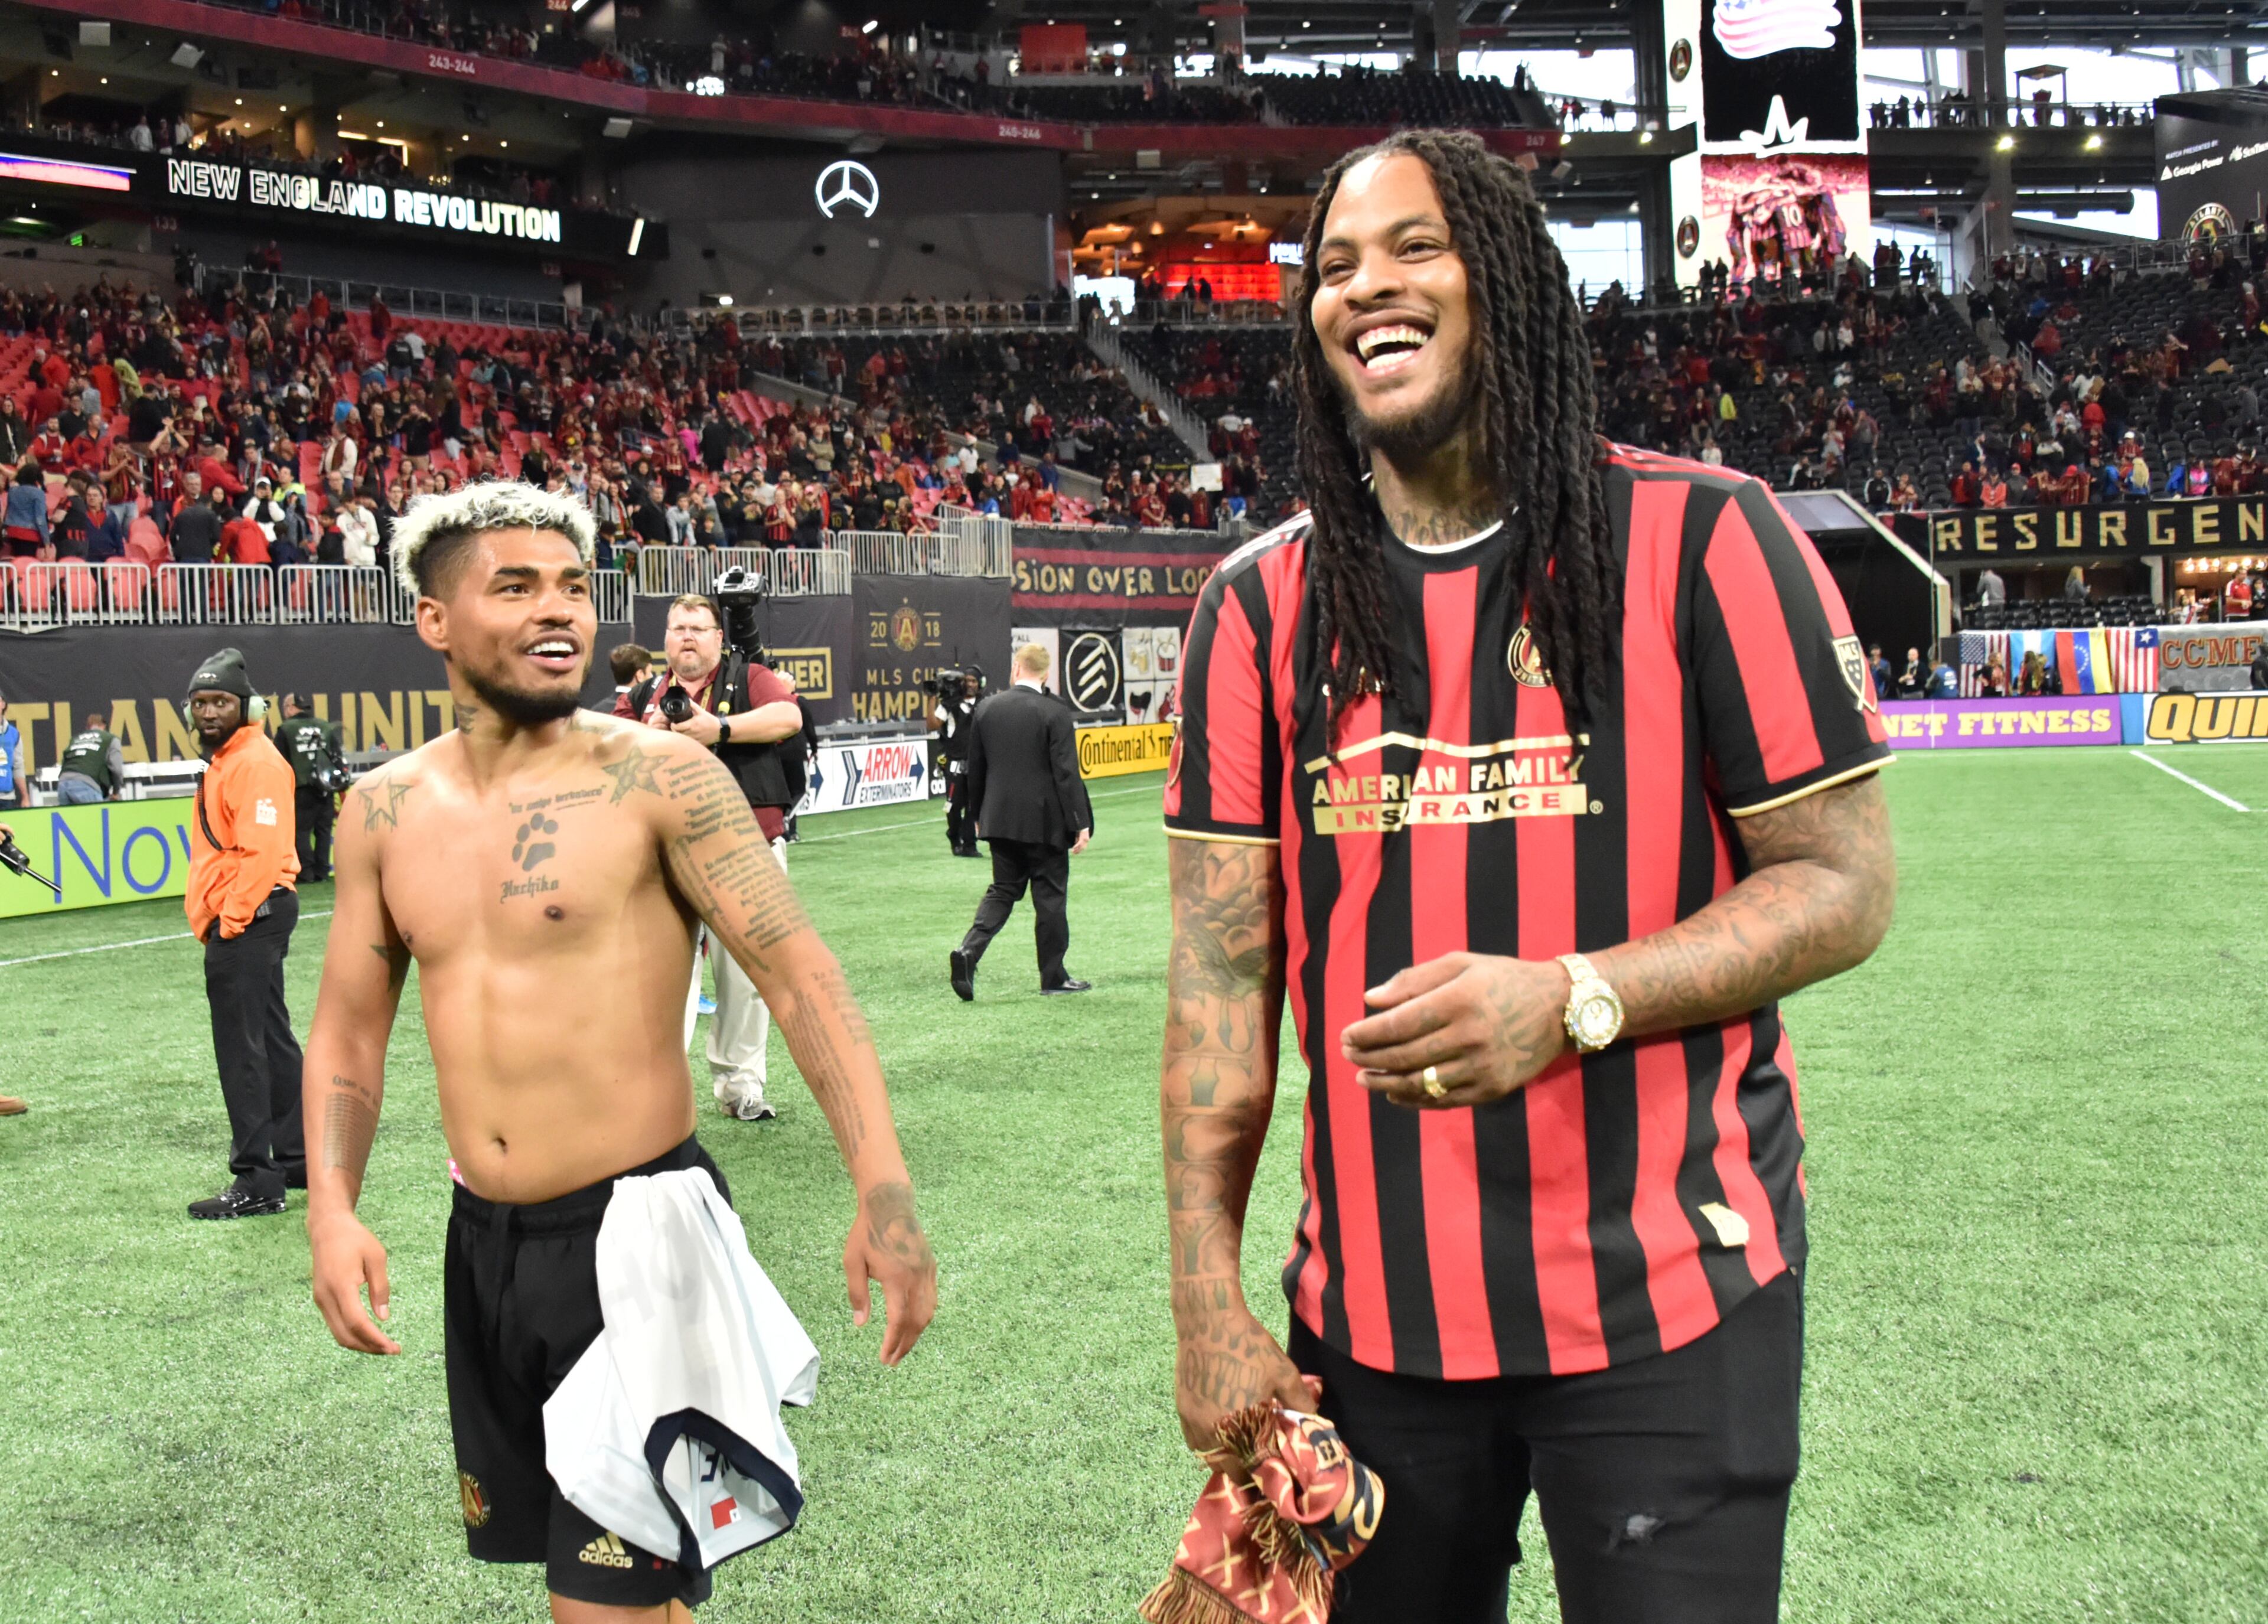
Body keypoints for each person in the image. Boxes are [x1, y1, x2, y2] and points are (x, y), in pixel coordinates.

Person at [1159, 132, 1895, 1624]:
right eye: (1335, 263)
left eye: (1413, 245)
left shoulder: (1709, 537)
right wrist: (1203, 1296)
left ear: (1504, 279)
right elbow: (1217, 990)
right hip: (1368, 1330)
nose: (1366, 283)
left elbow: (1838, 882)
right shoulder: (1254, 607)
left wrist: (1575, 995)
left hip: (1673, 1298)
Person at [298, 481, 935, 1619]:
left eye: (575, 588)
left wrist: (880, 1189)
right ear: (435, 620)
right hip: (479, 1244)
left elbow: (800, 978)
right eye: (516, 586)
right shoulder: (381, 810)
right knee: (590, 1593)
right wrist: (332, 1206)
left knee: (603, 1607)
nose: (561, 612)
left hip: (636, 1238)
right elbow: (349, 1022)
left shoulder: (660, 777)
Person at [617, 594, 805, 1123]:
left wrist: (718, 729)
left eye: (700, 628)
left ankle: (740, 1087)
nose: (689, 637)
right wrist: (641, 737)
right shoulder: (643, 695)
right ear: (666, 639)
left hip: (744, 850)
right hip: (663, 855)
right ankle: (659, 1091)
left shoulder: (750, 677)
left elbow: (787, 716)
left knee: (747, 978)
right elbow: (601, 752)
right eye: (679, 628)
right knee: (661, 976)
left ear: (720, 639)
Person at [184, 647, 304, 1220]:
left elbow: (260, 851)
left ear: (248, 706)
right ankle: (298, 1159)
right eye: (201, 702)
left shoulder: (253, 760)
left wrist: (231, 919)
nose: (209, 711)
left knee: (242, 1050)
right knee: (272, 1038)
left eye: (221, 701)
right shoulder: (232, 758)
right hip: (256, 914)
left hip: (251, 917)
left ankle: (258, 1178)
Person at [948, 642, 1093, 1000]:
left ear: (1016, 668)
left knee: (1003, 890)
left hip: (999, 820)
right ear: (1046, 674)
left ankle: (969, 952)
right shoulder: (1055, 712)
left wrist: (978, 815)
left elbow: (975, 769)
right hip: (1046, 823)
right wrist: (1081, 820)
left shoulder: (987, 709)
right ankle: (1053, 977)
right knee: (1050, 897)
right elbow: (1066, 773)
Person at [273, 693, 348, 883]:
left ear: (290, 707)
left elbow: (278, 763)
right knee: (323, 831)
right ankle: (322, 871)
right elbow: (337, 758)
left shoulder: (286, 729)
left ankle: (306, 873)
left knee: (301, 832)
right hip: (326, 787)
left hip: (301, 789)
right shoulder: (325, 727)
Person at [931, 670, 981, 857]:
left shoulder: (985, 704)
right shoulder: (949, 705)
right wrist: (931, 699)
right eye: (967, 681)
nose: (970, 684)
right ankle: (954, 837)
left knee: (973, 806)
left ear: (980, 683)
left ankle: (970, 845)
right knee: (953, 806)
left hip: (976, 764)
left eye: (974, 681)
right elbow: (933, 725)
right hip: (954, 764)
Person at [54, 709, 123, 805]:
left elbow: (65, 761)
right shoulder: (110, 739)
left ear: (88, 727)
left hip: (63, 784)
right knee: (94, 819)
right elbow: (117, 769)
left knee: (71, 820)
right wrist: (116, 792)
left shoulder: (75, 739)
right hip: (87, 785)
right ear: (104, 726)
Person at [0, 691, 27, 809]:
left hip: (7, 797)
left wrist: (26, 797)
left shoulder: (14, 734)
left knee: (6, 828)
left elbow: (18, 766)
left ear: (3, 704)